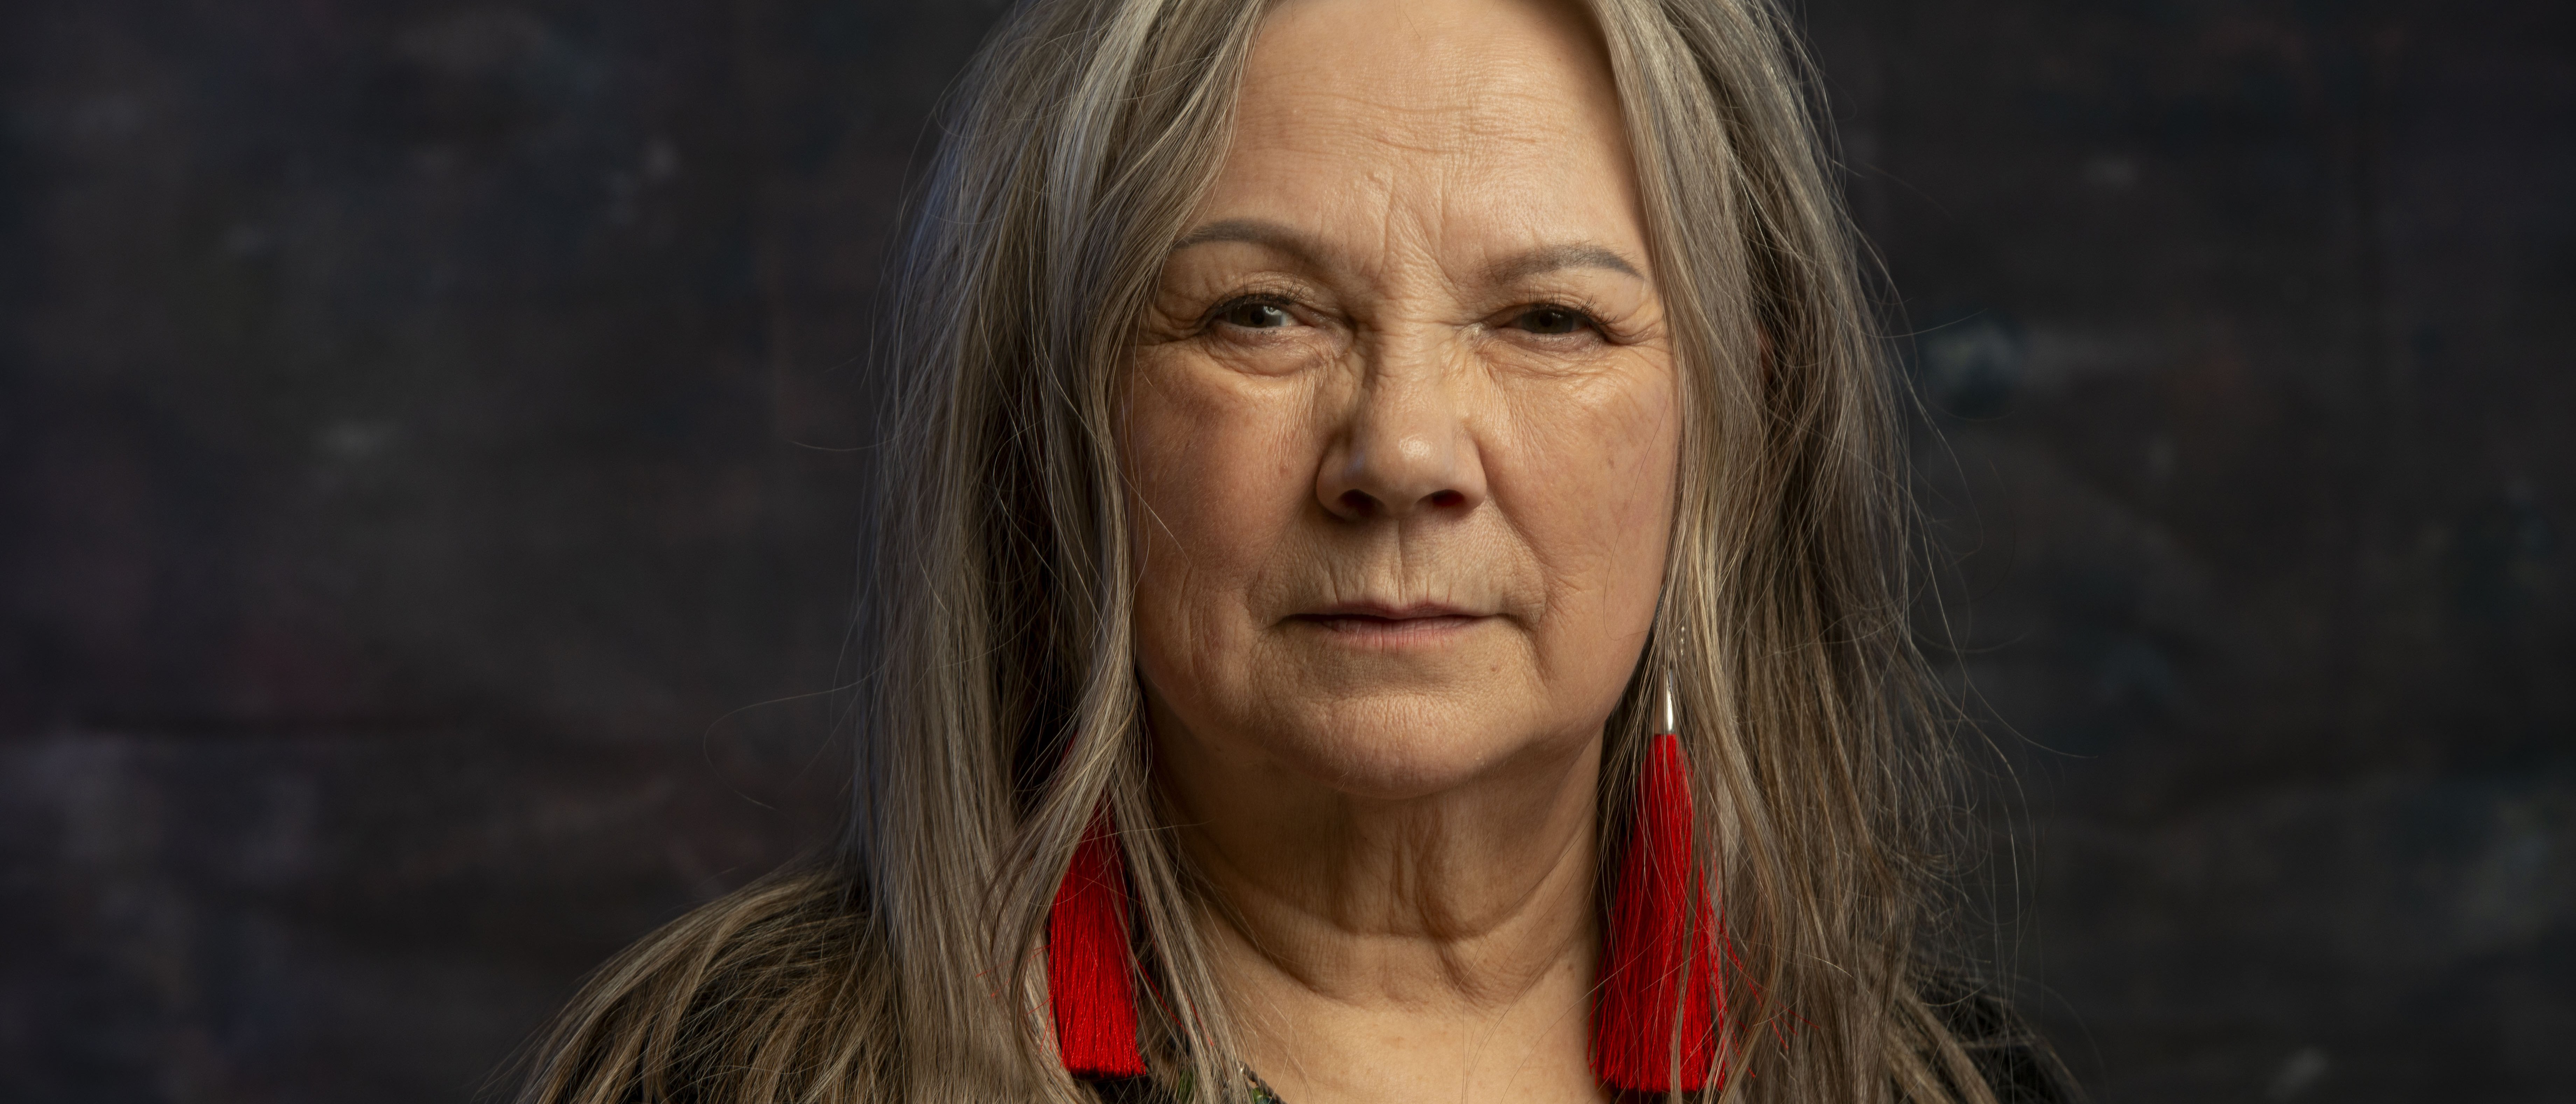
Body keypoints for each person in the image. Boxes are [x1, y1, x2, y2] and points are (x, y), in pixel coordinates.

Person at [516, 0, 2072, 1101]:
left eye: (1547, 320)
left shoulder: (1938, 1085)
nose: (1401, 452)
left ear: (1734, 413)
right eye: (1260, 312)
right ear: (1054, 419)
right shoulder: (739, 1079)